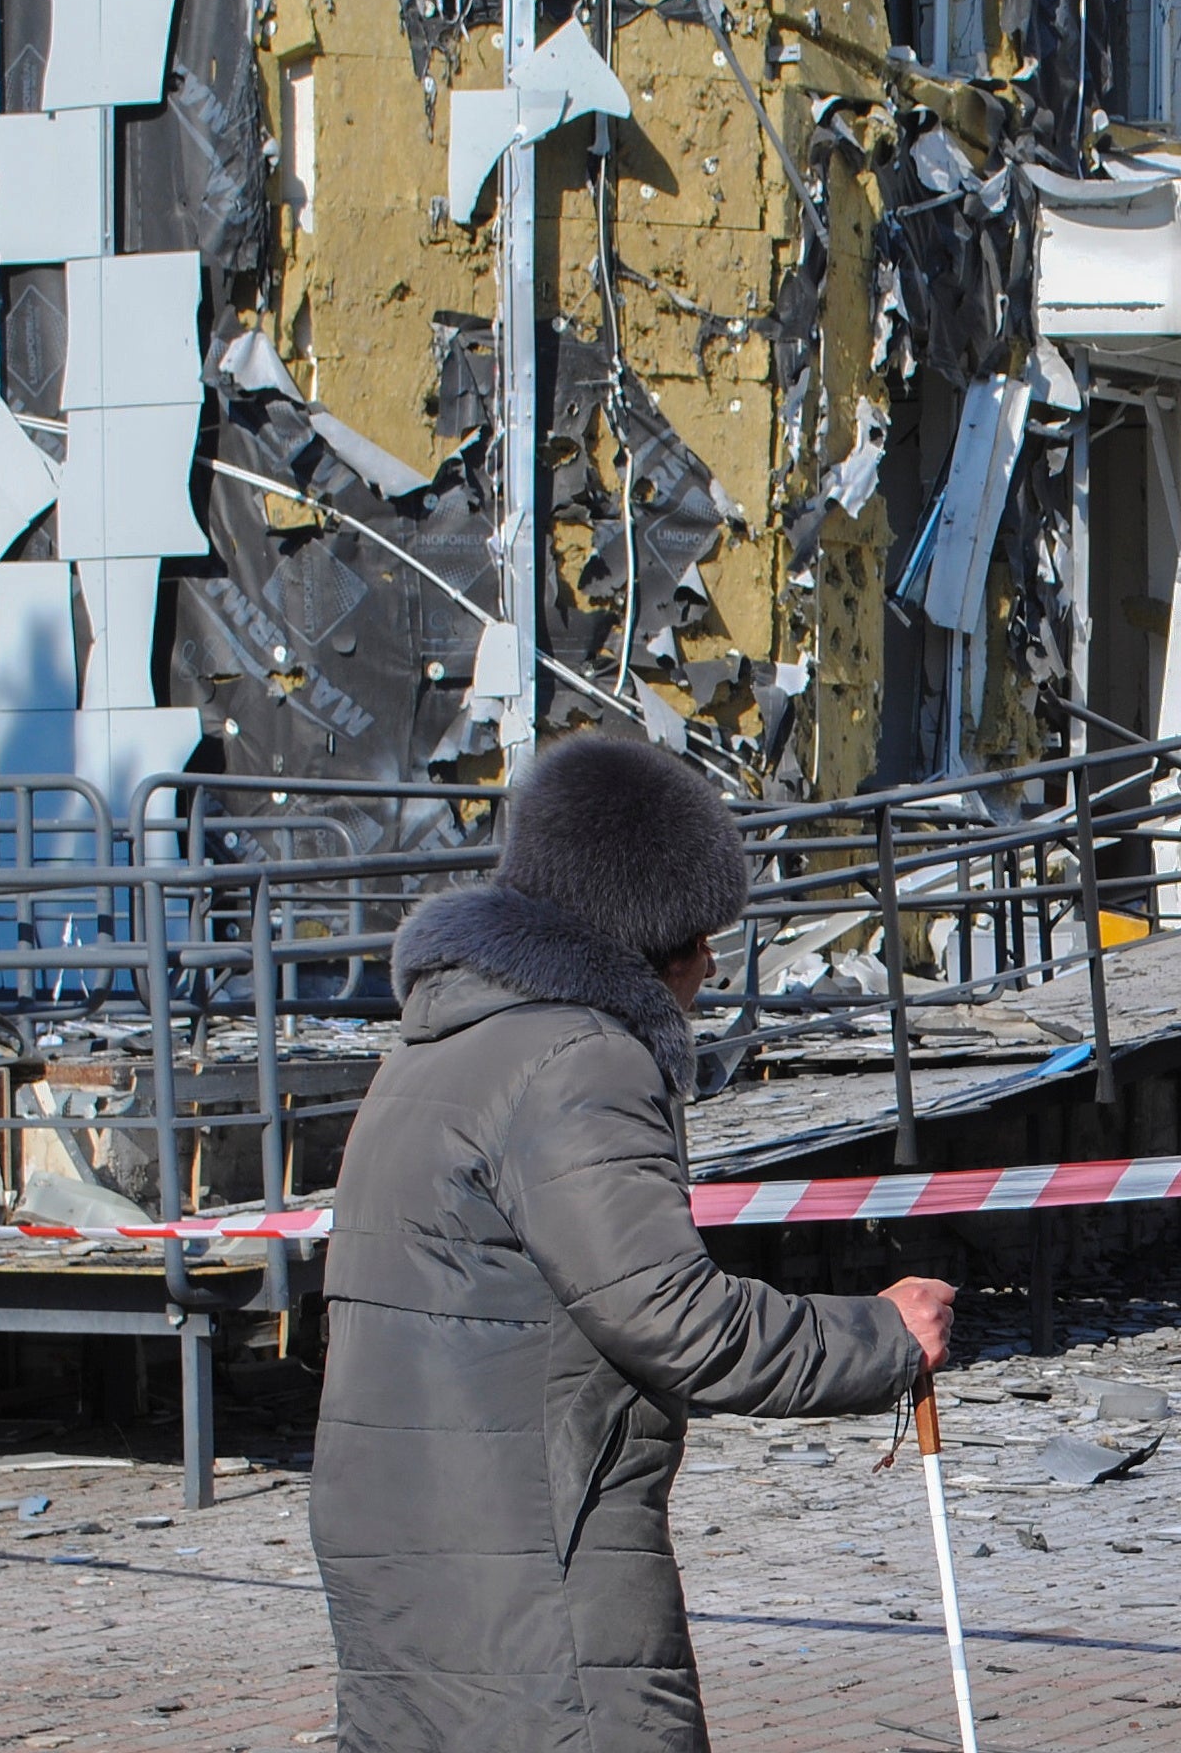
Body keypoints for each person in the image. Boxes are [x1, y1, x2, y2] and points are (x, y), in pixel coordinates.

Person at [311, 735, 955, 1753]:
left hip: (407, 1556)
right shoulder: (579, 1058)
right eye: (699, 935)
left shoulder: (432, 1051)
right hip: (535, 1563)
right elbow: (668, 1311)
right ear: (644, 931)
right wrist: (879, 1334)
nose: (708, 964)